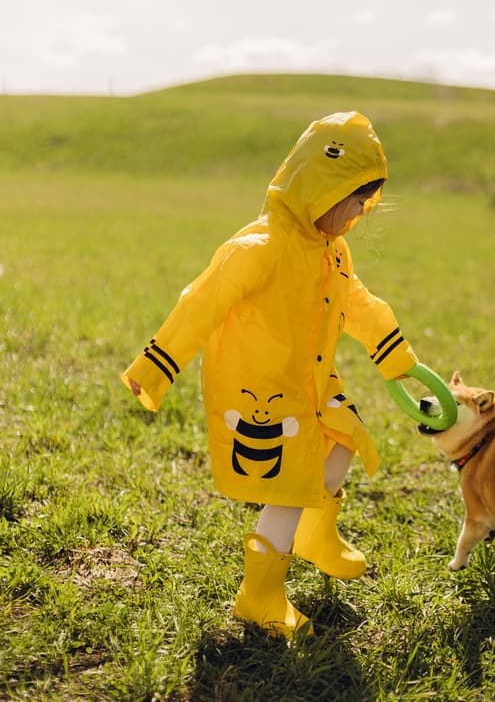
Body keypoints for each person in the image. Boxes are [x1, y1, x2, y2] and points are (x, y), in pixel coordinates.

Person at [121, 111, 419, 638]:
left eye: (363, 205)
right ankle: (258, 593)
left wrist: (395, 354)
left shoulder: (332, 250)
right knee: (287, 489)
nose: (356, 215)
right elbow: (200, 305)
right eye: (352, 202)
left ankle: (314, 536)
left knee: (344, 437)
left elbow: (357, 303)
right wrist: (156, 364)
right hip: (262, 394)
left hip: (312, 383)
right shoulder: (258, 248)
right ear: (317, 188)